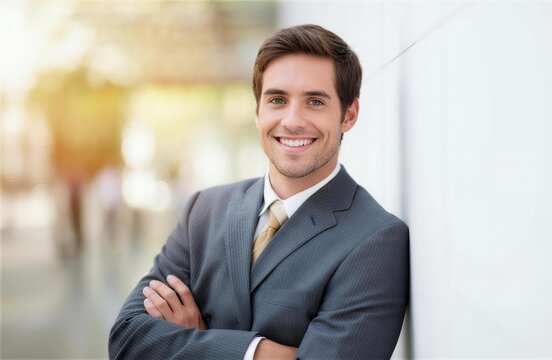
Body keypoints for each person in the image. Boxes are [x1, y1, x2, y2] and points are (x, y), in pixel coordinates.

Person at [109, 24, 409, 360]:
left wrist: (195, 340)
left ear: (349, 114)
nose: (292, 121)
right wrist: (259, 353)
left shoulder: (375, 239)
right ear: (257, 111)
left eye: (314, 101)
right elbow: (127, 338)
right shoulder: (204, 210)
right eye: (277, 100)